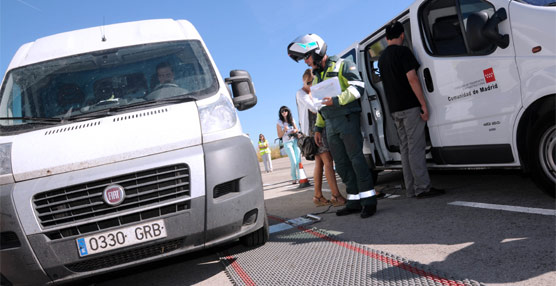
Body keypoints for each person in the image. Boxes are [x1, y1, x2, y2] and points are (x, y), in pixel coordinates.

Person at [288, 34, 378, 218]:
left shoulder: (343, 64)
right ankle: (354, 200)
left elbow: (358, 87)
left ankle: (369, 201)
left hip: (347, 119)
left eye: (307, 57)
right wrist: (318, 128)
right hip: (330, 124)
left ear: (317, 51)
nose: (306, 62)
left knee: (356, 160)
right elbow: (321, 105)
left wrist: (337, 100)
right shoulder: (318, 76)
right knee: (342, 165)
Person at [377, 21, 445, 199]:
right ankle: (423, 187)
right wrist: (423, 103)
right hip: (409, 106)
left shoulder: (382, 59)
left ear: (386, 38)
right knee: (416, 147)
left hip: (395, 110)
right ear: (402, 35)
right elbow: (412, 78)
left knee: (406, 148)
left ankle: (411, 188)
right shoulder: (403, 52)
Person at [296, 69, 346, 207]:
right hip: (314, 131)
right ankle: (335, 195)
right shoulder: (301, 93)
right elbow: (314, 107)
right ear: (304, 81)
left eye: (313, 82)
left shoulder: (312, 91)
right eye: (309, 82)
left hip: (320, 127)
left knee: (320, 163)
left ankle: (317, 196)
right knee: (328, 161)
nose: (311, 85)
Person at [276, 106, 301, 184]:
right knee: (293, 161)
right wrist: (284, 130)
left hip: (295, 140)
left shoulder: (292, 119)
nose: (284, 112)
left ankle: (301, 178)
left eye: (285, 110)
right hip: (287, 142)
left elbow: (297, 129)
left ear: (288, 111)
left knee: (298, 160)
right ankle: (294, 177)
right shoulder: (279, 122)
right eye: (282, 111)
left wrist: (294, 131)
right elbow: (279, 135)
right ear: (280, 113)